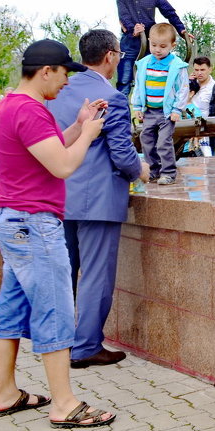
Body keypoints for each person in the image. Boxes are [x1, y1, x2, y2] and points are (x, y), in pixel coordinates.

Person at [0, 39, 116, 428]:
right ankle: (65, 404)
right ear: (46, 71)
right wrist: (91, 136)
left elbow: (46, 149)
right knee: (55, 310)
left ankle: (5, 393)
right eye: (63, 73)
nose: (66, 82)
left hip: (14, 221)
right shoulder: (30, 111)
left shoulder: (10, 105)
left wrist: (78, 124)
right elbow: (61, 166)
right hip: (35, 226)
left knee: (11, 311)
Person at [48, 30, 149, 368]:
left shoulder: (59, 91)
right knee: (95, 274)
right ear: (110, 56)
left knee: (65, 271)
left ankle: (60, 340)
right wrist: (140, 170)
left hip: (61, 193)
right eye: (119, 54)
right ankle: (86, 345)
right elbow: (121, 154)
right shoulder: (112, 97)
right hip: (98, 197)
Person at [113, 0, 191, 97]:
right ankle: (121, 114)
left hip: (151, 42)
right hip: (130, 42)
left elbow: (169, 13)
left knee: (154, 78)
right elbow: (124, 17)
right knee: (124, 80)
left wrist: (182, 30)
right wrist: (133, 29)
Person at [131, 23, 189, 186]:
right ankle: (153, 170)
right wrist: (137, 106)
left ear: (173, 45)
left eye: (163, 46)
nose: (157, 49)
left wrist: (177, 108)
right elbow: (138, 85)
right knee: (146, 139)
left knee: (163, 142)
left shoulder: (177, 66)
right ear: (149, 41)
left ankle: (168, 172)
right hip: (149, 111)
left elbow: (183, 88)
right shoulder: (144, 64)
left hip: (167, 113)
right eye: (154, 45)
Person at [186, 56, 215, 156]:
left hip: (207, 133)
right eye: (196, 70)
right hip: (188, 131)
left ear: (210, 69)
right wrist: (185, 82)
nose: (199, 73)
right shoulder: (189, 84)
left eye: (202, 70)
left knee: (207, 161)